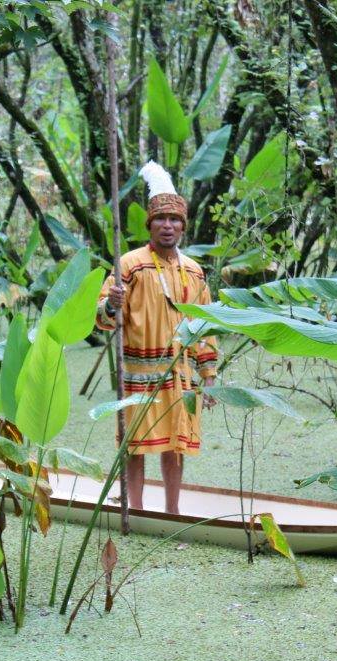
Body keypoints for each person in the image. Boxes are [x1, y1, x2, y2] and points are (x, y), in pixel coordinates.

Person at [96, 161, 219, 515]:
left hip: (180, 374)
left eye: (175, 220)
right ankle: (135, 509)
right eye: (161, 219)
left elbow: (205, 325)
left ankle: (172, 511)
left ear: (183, 226)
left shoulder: (195, 271)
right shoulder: (130, 264)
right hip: (138, 370)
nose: (168, 226)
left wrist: (208, 376)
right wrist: (111, 305)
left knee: (175, 444)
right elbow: (102, 316)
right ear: (150, 224)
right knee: (133, 444)